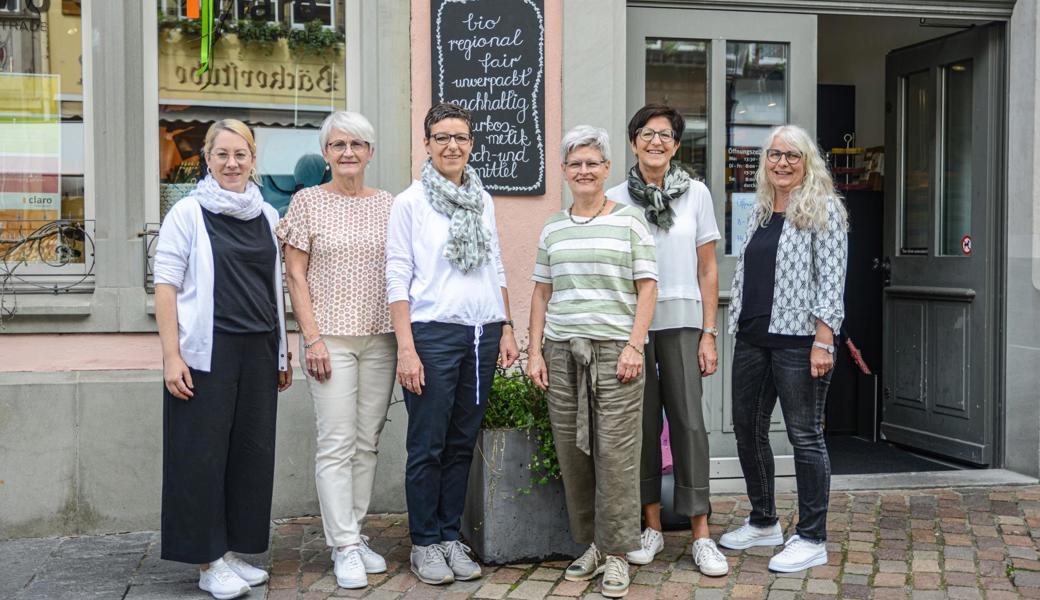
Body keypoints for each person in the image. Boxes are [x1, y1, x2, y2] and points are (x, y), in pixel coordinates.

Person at [154, 119, 292, 600]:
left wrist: (282, 351)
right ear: (207, 159)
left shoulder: (268, 216)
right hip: (205, 353)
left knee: (248, 456)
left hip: (257, 350)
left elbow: (274, 288)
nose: (232, 164)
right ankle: (208, 561)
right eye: (222, 155)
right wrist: (172, 356)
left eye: (241, 155)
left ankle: (232, 550)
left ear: (254, 161)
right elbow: (165, 286)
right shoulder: (188, 213)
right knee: (202, 457)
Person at [385, 102, 520, 586]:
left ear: (471, 144)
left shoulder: (483, 199)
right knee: (428, 444)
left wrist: (505, 325)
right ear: (427, 144)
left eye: (460, 137)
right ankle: (424, 542)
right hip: (433, 334)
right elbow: (397, 275)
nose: (452, 146)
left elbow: (497, 266)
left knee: (462, 443)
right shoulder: (410, 202)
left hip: (482, 333)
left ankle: (448, 536)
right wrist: (406, 347)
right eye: (442, 137)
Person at [527, 125, 658, 599]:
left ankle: (619, 553)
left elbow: (648, 287)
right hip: (563, 353)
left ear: (605, 170)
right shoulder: (554, 228)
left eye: (592, 163)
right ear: (564, 171)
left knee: (617, 456)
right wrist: (534, 350)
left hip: (614, 354)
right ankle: (593, 545)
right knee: (573, 452)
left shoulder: (629, 222)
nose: (584, 171)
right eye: (575, 164)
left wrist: (633, 345)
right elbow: (542, 292)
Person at [718, 124, 848, 573]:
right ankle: (764, 520)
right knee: (747, 429)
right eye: (775, 154)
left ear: (807, 160)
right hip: (753, 337)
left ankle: (812, 537)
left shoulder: (824, 208)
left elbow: (832, 280)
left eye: (792, 155)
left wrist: (824, 341)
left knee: (805, 437)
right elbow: (746, 273)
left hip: (800, 343)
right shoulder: (760, 209)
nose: (782, 163)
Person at [606, 104, 728, 576]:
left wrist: (708, 333)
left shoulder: (695, 194)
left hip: (681, 323)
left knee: (689, 425)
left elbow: (707, 268)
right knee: (638, 426)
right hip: (630, 326)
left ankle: (701, 533)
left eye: (665, 135)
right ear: (633, 141)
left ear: (677, 145)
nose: (655, 141)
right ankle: (651, 526)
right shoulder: (615, 198)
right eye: (646, 133)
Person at [276, 111, 395, 590]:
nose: (348, 152)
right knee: (336, 442)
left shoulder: (387, 203)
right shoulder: (307, 202)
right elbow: (295, 275)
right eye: (339, 144)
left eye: (358, 144)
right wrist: (312, 338)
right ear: (325, 154)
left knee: (367, 442)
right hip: (330, 341)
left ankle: (355, 532)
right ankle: (342, 544)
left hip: (380, 338)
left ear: (370, 153)